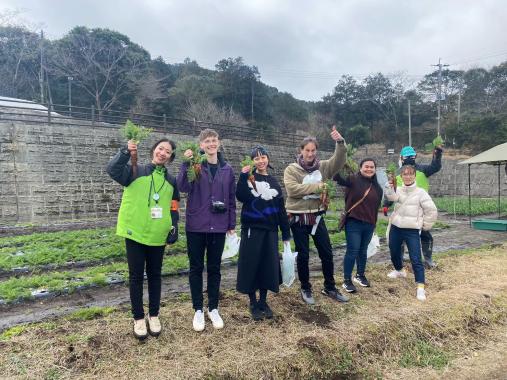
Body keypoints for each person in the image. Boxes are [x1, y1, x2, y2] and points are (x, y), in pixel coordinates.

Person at [107, 138, 180, 340]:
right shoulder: (135, 170)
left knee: (155, 275)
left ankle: (154, 315)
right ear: (153, 151)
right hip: (135, 232)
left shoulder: (171, 180)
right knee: (136, 276)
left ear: (171, 157)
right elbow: (112, 170)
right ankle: (138, 317)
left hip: (158, 234)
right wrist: (125, 152)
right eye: (160, 148)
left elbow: (173, 206)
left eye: (168, 151)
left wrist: (174, 227)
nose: (163, 153)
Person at [177, 128, 236, 332]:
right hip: (196, 226)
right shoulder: (196, 166)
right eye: (207, 141)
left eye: (214, 140)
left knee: (214, 268)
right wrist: (186, 163)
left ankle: (213, 307)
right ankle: (198, 309)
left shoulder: (227, 169)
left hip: (218, 226)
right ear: (201, 145)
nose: (211, 144)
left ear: (219, 143)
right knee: (195, 268)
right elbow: (182, 186)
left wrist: (231, 224)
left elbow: (231, 199)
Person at [284, 126, 348, 305]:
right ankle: (305, 287)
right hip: (297, 217)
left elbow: (339, 160)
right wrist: (317, 187)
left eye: (313, 150)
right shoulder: (292, 169)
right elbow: (293, 190)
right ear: (301, 151)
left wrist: (340, 143)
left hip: (317, 217)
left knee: (327, 252)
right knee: (303, 254)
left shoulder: (324, 167)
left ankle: (330, 287)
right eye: (307, 150)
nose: (310, 154)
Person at [236, 145, 291, 320]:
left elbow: (281, 209)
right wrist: (243, 176)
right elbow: (241, 196)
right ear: (252, 161)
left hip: (271, 230)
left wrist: (286, 233)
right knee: (252, 264)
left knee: (268, 265)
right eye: (256, 158)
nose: (260, 161)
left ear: (268, 159)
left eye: (263, 157)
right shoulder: (248, 178)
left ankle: (263, 301)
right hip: (252, 228)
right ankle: (253, 302)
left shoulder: (274, 182)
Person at [383, 145, 443, 268]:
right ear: (402, 158)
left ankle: (428, 259)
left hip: (419, 209)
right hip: (401, 210)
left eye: (411, 156)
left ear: (415, 157)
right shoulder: (398, 176)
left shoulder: (423, 170)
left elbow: (436, 166)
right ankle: (399, 261)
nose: (409, 159)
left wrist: (437, 154)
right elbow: (391, 191)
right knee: (399, 236)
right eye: (407, 156)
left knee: (425, 234)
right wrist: (386, 204)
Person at [384, 165, 438, 301]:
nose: (407, 177)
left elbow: (431, 210)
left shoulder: (421, 193)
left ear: (414, 176)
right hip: (396, 227)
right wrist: (389, 186)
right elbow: (391, 197)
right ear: (401, 177)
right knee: (393, 250)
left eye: (410, 174)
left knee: (415, 258)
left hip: (412, 230)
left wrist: (425, 225)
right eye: (405, 174)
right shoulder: (399, 189)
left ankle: (420, 287)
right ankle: (399, 270)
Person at [334, 158, 383, 293]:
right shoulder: (352, 179)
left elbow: (377, 206)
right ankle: (347, 280)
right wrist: (340, 161)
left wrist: (374, 224)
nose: (369, 169)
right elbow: (338, 177)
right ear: (360, 168)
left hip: (369, 224)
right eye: (366, 166)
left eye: (372, 167)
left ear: (375, 169)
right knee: (353, 250)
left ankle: (360, 275)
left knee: (362, 251)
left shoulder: (377, 187)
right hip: (354, 222)